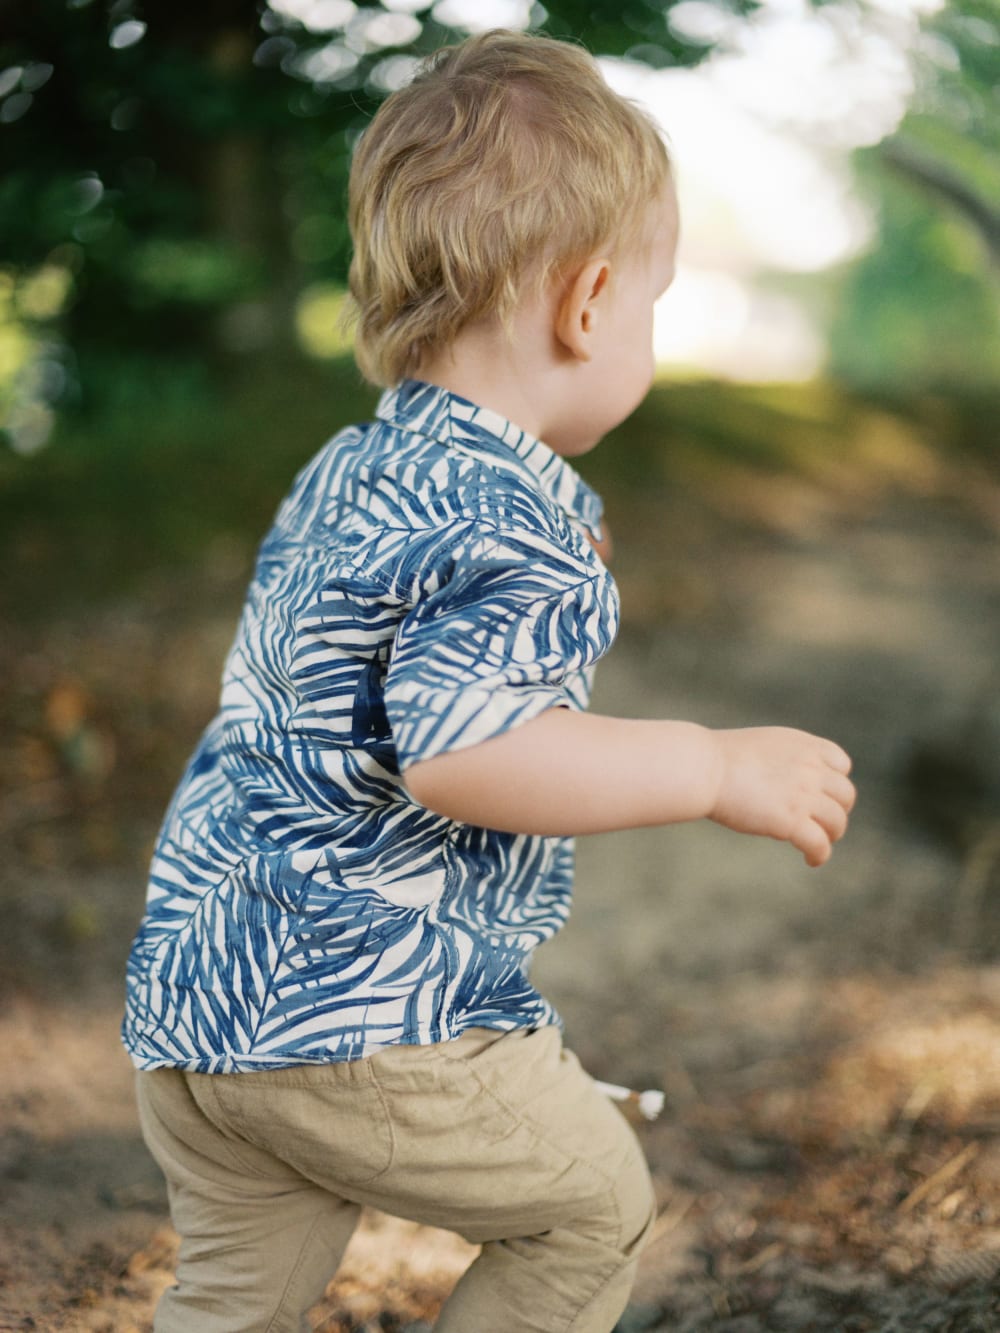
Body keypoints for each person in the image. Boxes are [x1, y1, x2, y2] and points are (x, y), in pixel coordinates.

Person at [122, 27, 856, 1333]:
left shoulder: (356, 470)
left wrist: (556, 548)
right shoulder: (509, 532)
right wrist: (713, 762)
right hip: (363, 1016)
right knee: (588, 1209)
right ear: (587, 304)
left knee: (234, 1301)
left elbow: (378, 635)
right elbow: (464, 752)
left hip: (203, 1002)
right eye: (653, 300)